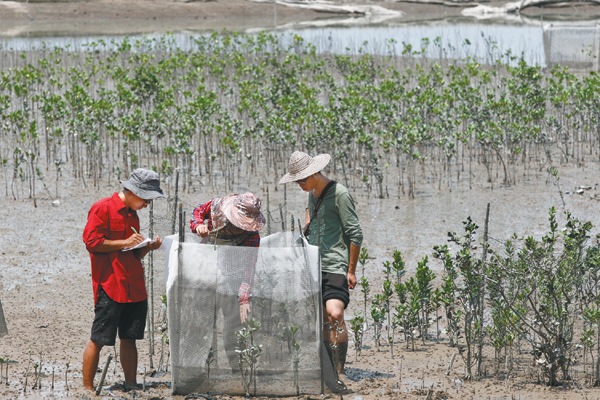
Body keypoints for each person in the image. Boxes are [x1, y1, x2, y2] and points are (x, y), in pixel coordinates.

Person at [279, 151, 363, 380]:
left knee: (335, 314)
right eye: (297, 182)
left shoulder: (340, 194)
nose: (300, 185)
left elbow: (356, 234)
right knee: (324, 320)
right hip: (314, 264)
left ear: (314, 172)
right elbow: (311, 217)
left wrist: (351, 270)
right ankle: (328, 368)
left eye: (302, 180)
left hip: (336, 263)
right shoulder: (312, 192)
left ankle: (340, 370)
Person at [82, 168, 166, 391]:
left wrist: (148, 247)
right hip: (110, 285)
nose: (147, 205)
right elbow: (91, 242)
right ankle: (88, 389)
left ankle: (131, 384)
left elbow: (133, 254)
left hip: (134, 286)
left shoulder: (133, 215)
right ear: (132, 191)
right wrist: (125, 242)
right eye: (146, 199)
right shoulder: (102, 208)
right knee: (99, 338)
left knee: (130, 337)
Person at [189, 192, 265, 370]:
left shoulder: (252, 236)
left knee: (234, 329)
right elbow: (198, 211)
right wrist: (198, 225)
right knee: (203, 325)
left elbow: (250, 267)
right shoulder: (217, 207)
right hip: (205, 276)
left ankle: (238, 371)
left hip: (233, 281)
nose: (243, 226)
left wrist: (244, 298)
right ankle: (202, 370)